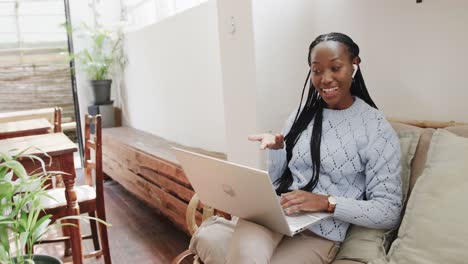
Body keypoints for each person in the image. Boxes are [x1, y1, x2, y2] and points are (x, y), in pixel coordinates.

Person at [192, 32, 402, 264]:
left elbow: (388, 211)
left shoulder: (376, 128)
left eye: (335, 67)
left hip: (320, 234)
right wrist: (278, 149)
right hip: (274, 217)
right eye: (317, 70)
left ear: (354, 65)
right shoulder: (302, 114)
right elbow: (279, 180)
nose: (325, 79)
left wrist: (326, 202)